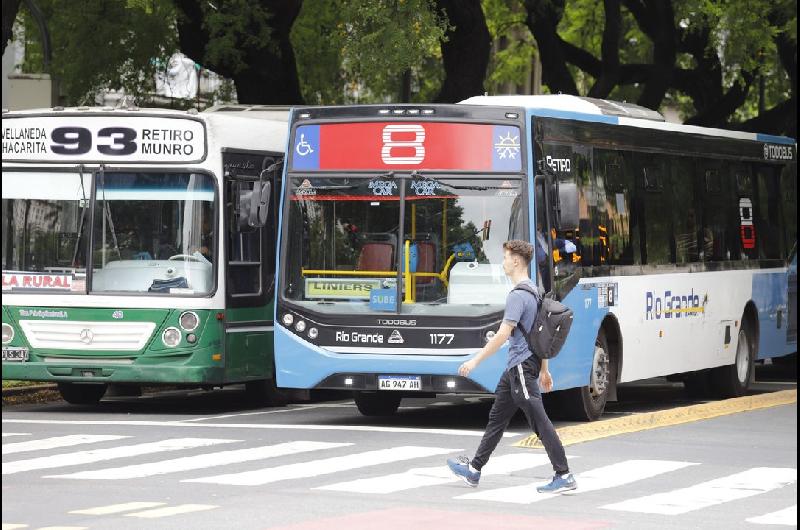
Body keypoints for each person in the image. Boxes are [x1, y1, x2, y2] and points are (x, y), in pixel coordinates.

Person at [446, 239, 576, 494]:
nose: (503, 262)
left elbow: (503, 334)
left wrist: (474, 360)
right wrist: (544, 369)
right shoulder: (535, 291)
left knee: (540, 421)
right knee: (497, 418)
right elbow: (541, 335)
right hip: (518, 368)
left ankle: (564, 474)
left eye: (505, 257)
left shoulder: (517, 295)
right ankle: (474, 470)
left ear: (516, 260)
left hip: (521, 368)